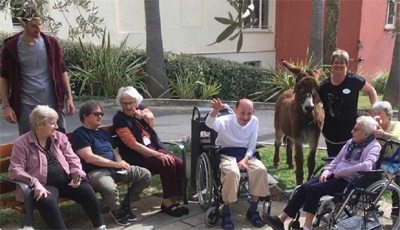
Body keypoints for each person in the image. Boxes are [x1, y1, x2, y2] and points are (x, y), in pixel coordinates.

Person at [264, 115, 381, 230]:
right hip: (334, 174)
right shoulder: (351, 142)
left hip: (349, 181)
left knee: (314, 190)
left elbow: (367, 166)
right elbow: (337, 159)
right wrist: (327, 171)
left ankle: (307, 226)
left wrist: (343, 172)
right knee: (304, 187)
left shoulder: (374, 147)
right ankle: (281, 219)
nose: (352, 131)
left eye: (355, 129)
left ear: (366, 133)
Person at [8, 105, 105, 230]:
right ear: (40, 125)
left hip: (66, 181)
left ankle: (100, 226)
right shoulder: (22, 143)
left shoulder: (59, 137)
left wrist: (76, 173)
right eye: (53, 123)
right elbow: (15, 169)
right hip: (44, 185)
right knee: (46, 200)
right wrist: (35, 183)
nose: (57, 126)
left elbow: (72, 158)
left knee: (86, 190)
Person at [71, 100, 151, 226]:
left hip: (115, 166)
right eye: (96, 114)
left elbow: (115, 150)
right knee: (109, 187)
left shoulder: (103, 132)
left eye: (101, 114)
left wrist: (120, 161)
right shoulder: (79, 134)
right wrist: (115, 164)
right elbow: (89, 158)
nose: (100, 116)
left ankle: (126, 204)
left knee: (144, 174)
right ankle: (117, 211)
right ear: (85, 116)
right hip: (96, 170)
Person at [112, 86, 188, 217]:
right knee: (167, 163)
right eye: (124, 103)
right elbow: (133, 144)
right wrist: (158, 155)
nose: (129, 106)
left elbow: (151, 122)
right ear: (120, 103)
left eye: (131, 102)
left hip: (154, 148)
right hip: (138, 155)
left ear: (137, 101)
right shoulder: (119, 119)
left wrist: (143, 115)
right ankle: (166, 202)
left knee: (179, 163)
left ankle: (175, 198)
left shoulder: (141, 109)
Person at [0, 6, 75, 135]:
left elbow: (62, 71)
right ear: (23, 24)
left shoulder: (52, 44)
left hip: (53, 102)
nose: (38, 29)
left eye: (40, 24)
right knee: (28, 144)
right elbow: (4, 77)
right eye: (34, 25)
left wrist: (69, 98)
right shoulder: (11, 47)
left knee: (59, 140)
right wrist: (6, 106)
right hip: (26, 105)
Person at [205, 98, 270, 230]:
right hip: (226, 153)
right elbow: (209, 123)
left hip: (246, 155)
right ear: (236, 110)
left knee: (261, 170)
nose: (246, 117)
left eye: (249, 113)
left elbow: (252, 146)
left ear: (253, 112)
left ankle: (253, 209)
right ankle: (226, 210)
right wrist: (216, 110)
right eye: (242, 113)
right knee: (232, 172)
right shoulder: (225, 120)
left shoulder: (254, 121)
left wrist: (244, 160)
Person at [319, 49, 377, 157]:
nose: (339, 65)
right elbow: (314, 102)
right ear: (332, 64)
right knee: (333, 160)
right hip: (331, 132)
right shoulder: (324, 86)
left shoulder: (354, 81)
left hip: (352, 131)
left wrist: (375, 110)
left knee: (350, 160)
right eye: (336, 62)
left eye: (342, 63)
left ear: (346, 64)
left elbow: (371, 91)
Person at [370, 101, 400, 219]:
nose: (376, 116)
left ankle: (395, 216)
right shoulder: (373, 126)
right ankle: (372, 207)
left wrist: (384, 134)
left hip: (395, 162)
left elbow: (397, 138)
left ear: (388, 115)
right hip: (378, 162)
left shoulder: (396, 125)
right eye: (374, 113)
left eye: (380, 113)